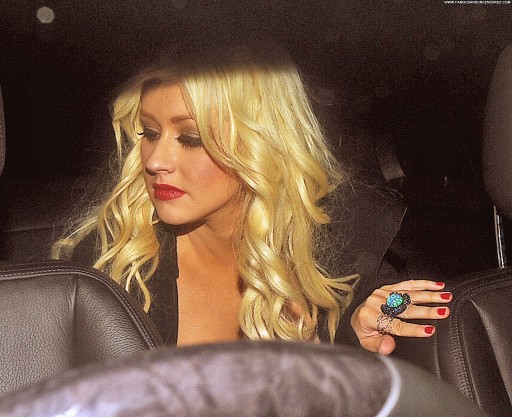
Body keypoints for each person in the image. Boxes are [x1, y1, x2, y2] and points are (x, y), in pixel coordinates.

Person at [52, 40, 451, 353]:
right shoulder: (112, 263)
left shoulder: (343, 240)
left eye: (190, 138)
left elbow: (391, 311)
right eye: (151, 133)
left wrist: (364, 328)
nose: (155, 160)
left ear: (261, 145)